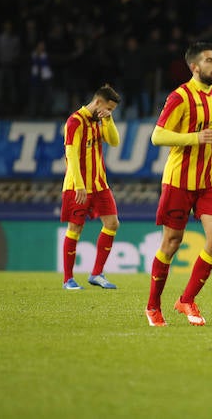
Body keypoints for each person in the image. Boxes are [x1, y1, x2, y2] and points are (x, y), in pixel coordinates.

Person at [145, 42, 212, 327]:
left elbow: (211, 127)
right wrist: (194, 139)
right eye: (210, 61)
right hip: (179, 181)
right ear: (195, 67)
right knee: (171, 243)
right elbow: (157, 136)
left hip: (210, 179)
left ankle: (186, 299)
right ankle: (152, 307)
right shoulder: (180, 97)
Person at [60, 84, 122, 290]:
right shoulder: (75, 122)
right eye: (108, 109)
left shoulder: (99, 120)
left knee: (112, 223)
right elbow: (71, 155)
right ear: (97, 102)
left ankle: (96, 273)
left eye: (112, 110)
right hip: (78, 185)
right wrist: (78, 185)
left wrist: (109, 119)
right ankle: (68, 279)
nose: (108, 112)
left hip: (99, 184)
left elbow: (114, 141)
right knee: (75, 228)